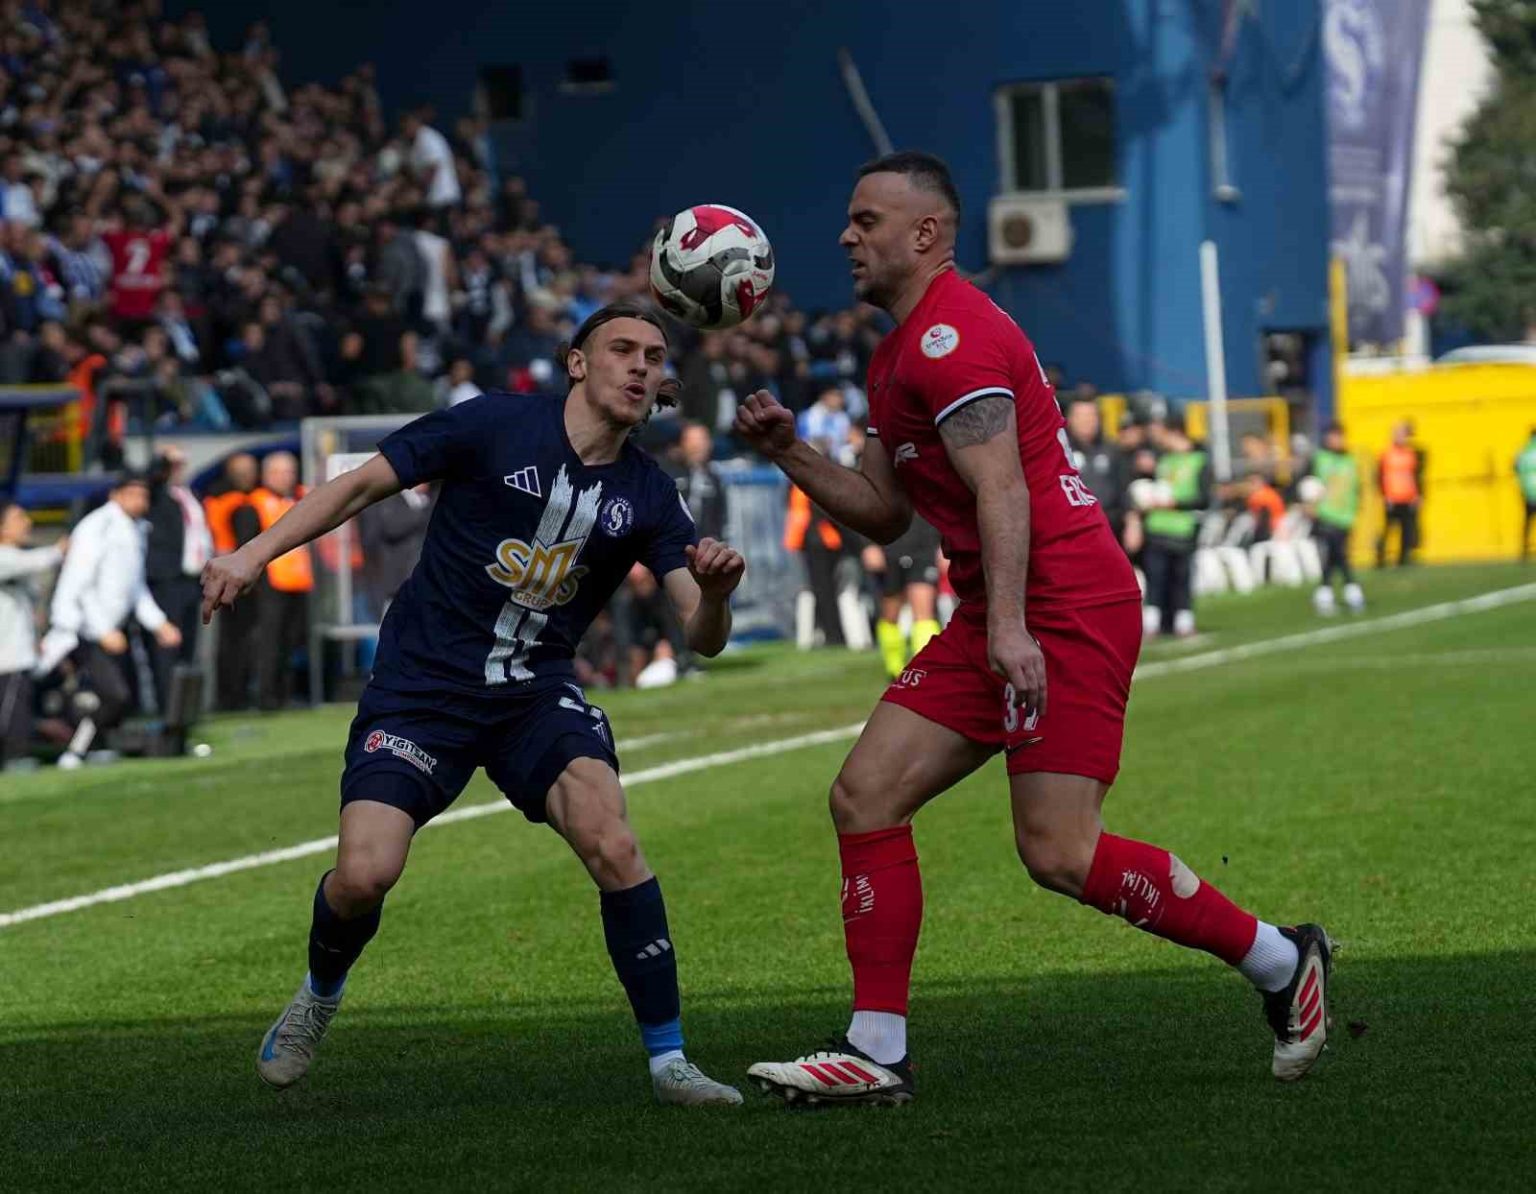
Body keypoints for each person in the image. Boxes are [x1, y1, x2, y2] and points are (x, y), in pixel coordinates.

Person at [734, 152, 1330, 1104]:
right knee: (865, 796)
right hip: (1003, 606)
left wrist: (1010, 629)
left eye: (866, 220)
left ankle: (1281, 960)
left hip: (1063, 604)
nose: (846, 236)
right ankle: (876, 1051)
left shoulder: (952, 338)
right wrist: (790, 453)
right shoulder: (896, 355)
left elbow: (1003, 488)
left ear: (927, 233)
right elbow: (885, 515)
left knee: (1058, 851)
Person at [201, 299, 746, 1106]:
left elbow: (703, 637)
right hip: (422, 689)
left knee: (614, 841)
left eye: (655, 356)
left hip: (534, 693)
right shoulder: (492, 424)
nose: (640, 366)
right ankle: (320, 991)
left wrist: (716, 594)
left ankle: (670, 1063)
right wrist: (251, 553)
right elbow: (358, 487)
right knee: (364, 875)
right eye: (622, 349)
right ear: (577, 363)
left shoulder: (649, 494)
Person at [38, 473, 182, 739]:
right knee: (114, 694)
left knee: (117, 696)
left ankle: (90, 742)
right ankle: (72, 743)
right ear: (115, 495)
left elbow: (134, 587)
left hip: (110, 630)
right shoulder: (97, 526)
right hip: (81, 629)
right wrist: (103, 630)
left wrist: (159, 623)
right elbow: (80, 585)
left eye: (144, 496)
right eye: (133, 494)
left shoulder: (136, 528)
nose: (140, 501)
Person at [144, 446, 212, 708]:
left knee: (188, 646)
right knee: (167, 645)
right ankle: (167, 706)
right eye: (173, 466)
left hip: (192, 579)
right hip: (167, 579)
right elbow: (150, 478)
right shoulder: (158, 496)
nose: (178, 470)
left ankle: (183, 707)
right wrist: (162, 459)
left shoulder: (190, 495)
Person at [0, 503, 65, 766]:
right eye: (18, 518)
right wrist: (60, 549)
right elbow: (32, 562)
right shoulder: (7, 558)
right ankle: (15, 758)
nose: (27, 522)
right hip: (7, 655)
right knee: (10, 713)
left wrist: (36, 637)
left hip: (19, 653)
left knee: (19, 708)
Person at [248, 452, 313, 710]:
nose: (287, 477)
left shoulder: (298, 499)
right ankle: (266, 697)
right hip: (270, 584)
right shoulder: (254, 503)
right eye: (280, 472)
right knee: (270, 642)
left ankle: (285, 694)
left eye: (290, 472)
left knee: (291, 641)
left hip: (298, 581)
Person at [1141, 417, 1210, 638]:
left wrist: (1176, 504)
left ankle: (1184, 623)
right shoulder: (1163, 460)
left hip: (1183, 529)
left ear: (1177, 433)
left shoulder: (1199, 460)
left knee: (1182, 579)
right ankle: (1152, 625)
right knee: (1155, 578)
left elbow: (1204, 499)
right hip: (1157, 527)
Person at [202, 454, 261, 710]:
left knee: (238, 640)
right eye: (242, 470)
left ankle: (235, 694)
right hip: (228, 577)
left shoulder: (219, 500)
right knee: (232, 641)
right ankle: (230, 696)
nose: (247, 475)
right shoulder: (233, 502)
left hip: (229, 575)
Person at [873, 514, 942, 681]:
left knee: (924, 613)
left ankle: (925, 670)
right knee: (890, 615)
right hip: (890, 548)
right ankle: (894, 668)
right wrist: (868, 545)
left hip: (924, 548)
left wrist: (946, 543)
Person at [1308, 424, 1365, 615]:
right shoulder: (1319, 459)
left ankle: (1324, 592)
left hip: (1345, 515)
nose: (1336, 440)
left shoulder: (1350, 460)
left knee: (1334, 556)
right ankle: (1352, 589)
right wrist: (1309, 504)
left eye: (1339, 437)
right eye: (1333, 437)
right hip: (1326, 513)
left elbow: (1356, 486)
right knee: (1339, 553)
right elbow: (1307, 483)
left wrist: (1358, 506)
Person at [1376, 420, 1423, 567]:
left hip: (1407, 497)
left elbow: (1415, 476)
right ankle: (1380, 558)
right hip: (1392, 497)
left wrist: (1417, 495)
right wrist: (1384, 495)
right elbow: (1380, 476)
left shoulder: (1411, 454)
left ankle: (1403, 559)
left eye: (1403, 435)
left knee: (1406, 529)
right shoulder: (1386, 454)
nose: (1401, 438)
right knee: (1387, 529)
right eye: (1398, 434)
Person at [673, 422, 728, 542]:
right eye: (691, 441)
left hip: (706, 545)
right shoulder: (669, 476)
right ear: (682, 444)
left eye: (701, 441)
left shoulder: (715, 480)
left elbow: (721, 519)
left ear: (709, 445)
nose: (696, 446)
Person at [1515, 426, 1536, 562]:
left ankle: (1524, 549)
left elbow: (1516, 467)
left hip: (1528, 490)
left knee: (1528, 521)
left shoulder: (1524, 451)